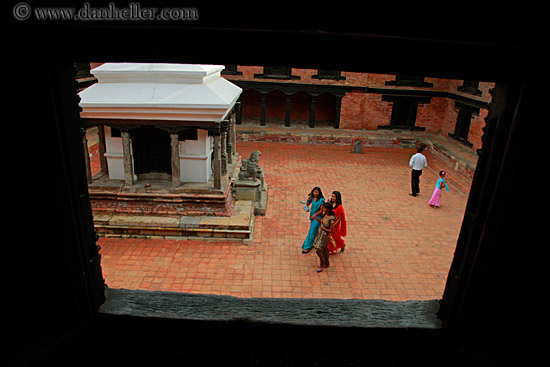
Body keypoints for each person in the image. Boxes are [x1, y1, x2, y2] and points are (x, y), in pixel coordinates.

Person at [312, 203, 336, 272]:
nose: (323, 209)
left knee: (318, 249)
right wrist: (317, 219)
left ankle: (322, 263)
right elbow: (322, 223)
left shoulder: (331, 219)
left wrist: (323, 228)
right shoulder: (325, 215)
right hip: (320, 234)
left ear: (328, 209)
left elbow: (332, 231)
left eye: (325, 208)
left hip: (325, 236)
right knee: (324, 248)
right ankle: (326, 262)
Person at [301, 186, 325, 254]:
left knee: (312, 231)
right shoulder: (312, 198)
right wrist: (309, 198)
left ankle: (308, 246)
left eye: (317, 192)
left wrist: (315, 215)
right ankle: (310, 243)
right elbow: (308, 204)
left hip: (317, 218)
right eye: (314, 192)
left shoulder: (321, 200)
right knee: (313, 231)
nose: (315, 193)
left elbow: (321, 210)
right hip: (312, 216)